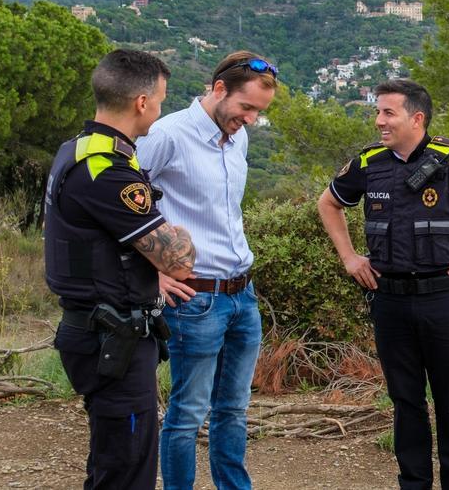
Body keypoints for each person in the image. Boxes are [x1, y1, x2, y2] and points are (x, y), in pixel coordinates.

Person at [317, 78, 449, 490]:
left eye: (387, 112)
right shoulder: (368, 164)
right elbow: (328, 203)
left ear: (417, 118)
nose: (378, 121)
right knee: (406, 403)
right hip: (389, 301)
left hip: (443, 300)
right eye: (377, 112)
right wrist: (349, 257)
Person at [45, 48, 196, 489]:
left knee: (114, 462)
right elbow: (180, 261)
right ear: (142, 102)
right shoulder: (108, 170)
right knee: (127, 471)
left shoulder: (77, 150)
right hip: (111, 339)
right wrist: (178, 233)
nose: (161, 110)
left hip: (99, 332)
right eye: (162, 100)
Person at [135, 51, 277, 490]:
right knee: (187, 413)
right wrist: (151, 274)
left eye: (258, 111)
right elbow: (119, 208)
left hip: (243, 295)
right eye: (246, 107)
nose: (251, 119)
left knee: (234, 409)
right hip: (194, 299)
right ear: (219, 90)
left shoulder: (239, 137)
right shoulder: (166, 135)